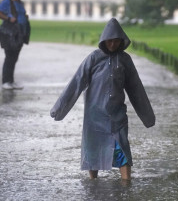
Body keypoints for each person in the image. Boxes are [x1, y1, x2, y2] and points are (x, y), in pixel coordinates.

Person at [50, 18, 155, 181]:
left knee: (122, 149)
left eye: (116, 41)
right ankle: (93, 183)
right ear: (104, 41)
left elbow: (136, 88)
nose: (112, 45)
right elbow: (77, 82)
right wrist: (59, 109)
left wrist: (148, 117)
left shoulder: (125, 60)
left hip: (117, 115)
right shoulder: (93, 58)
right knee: (93, 150)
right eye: (109, 41)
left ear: (121, 41)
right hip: (94, 115)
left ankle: (126, 184)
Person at [0, 0, 30, 90]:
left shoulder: (20, 3)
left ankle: (11, 81)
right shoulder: (7, 2)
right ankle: (5, 81)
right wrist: (8, 18)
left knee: (14, 58)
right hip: (9, 34)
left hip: (19, 35)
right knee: (9, 57)